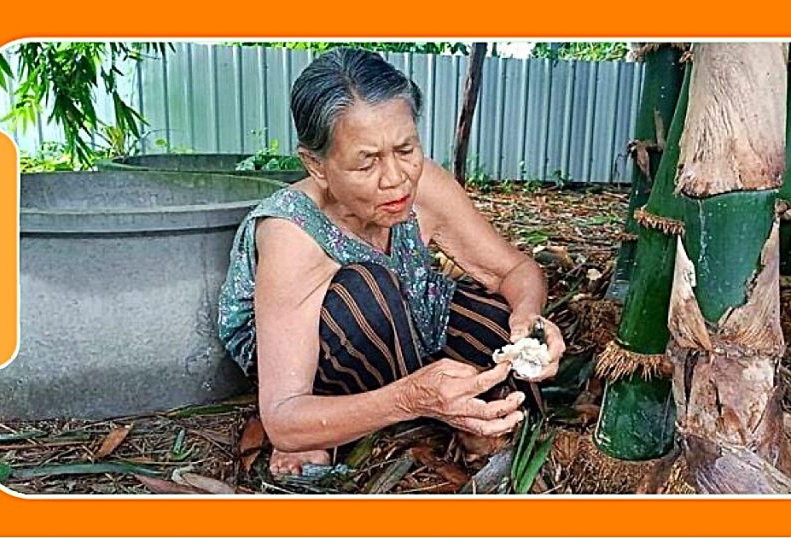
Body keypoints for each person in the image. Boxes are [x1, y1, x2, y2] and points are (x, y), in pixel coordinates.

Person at [218, 48, 565, 475]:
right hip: (309, 352)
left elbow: (515, 270)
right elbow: (282, 418)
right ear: (317, 165)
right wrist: (410, 397)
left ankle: (440, 400)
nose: (396, 178)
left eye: (406, 149)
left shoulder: (422, 184)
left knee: (499, 320)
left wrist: (528, 318)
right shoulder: (292, 234)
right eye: (366, 163)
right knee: (369, 293)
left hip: (410, 311)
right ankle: (347, 420)